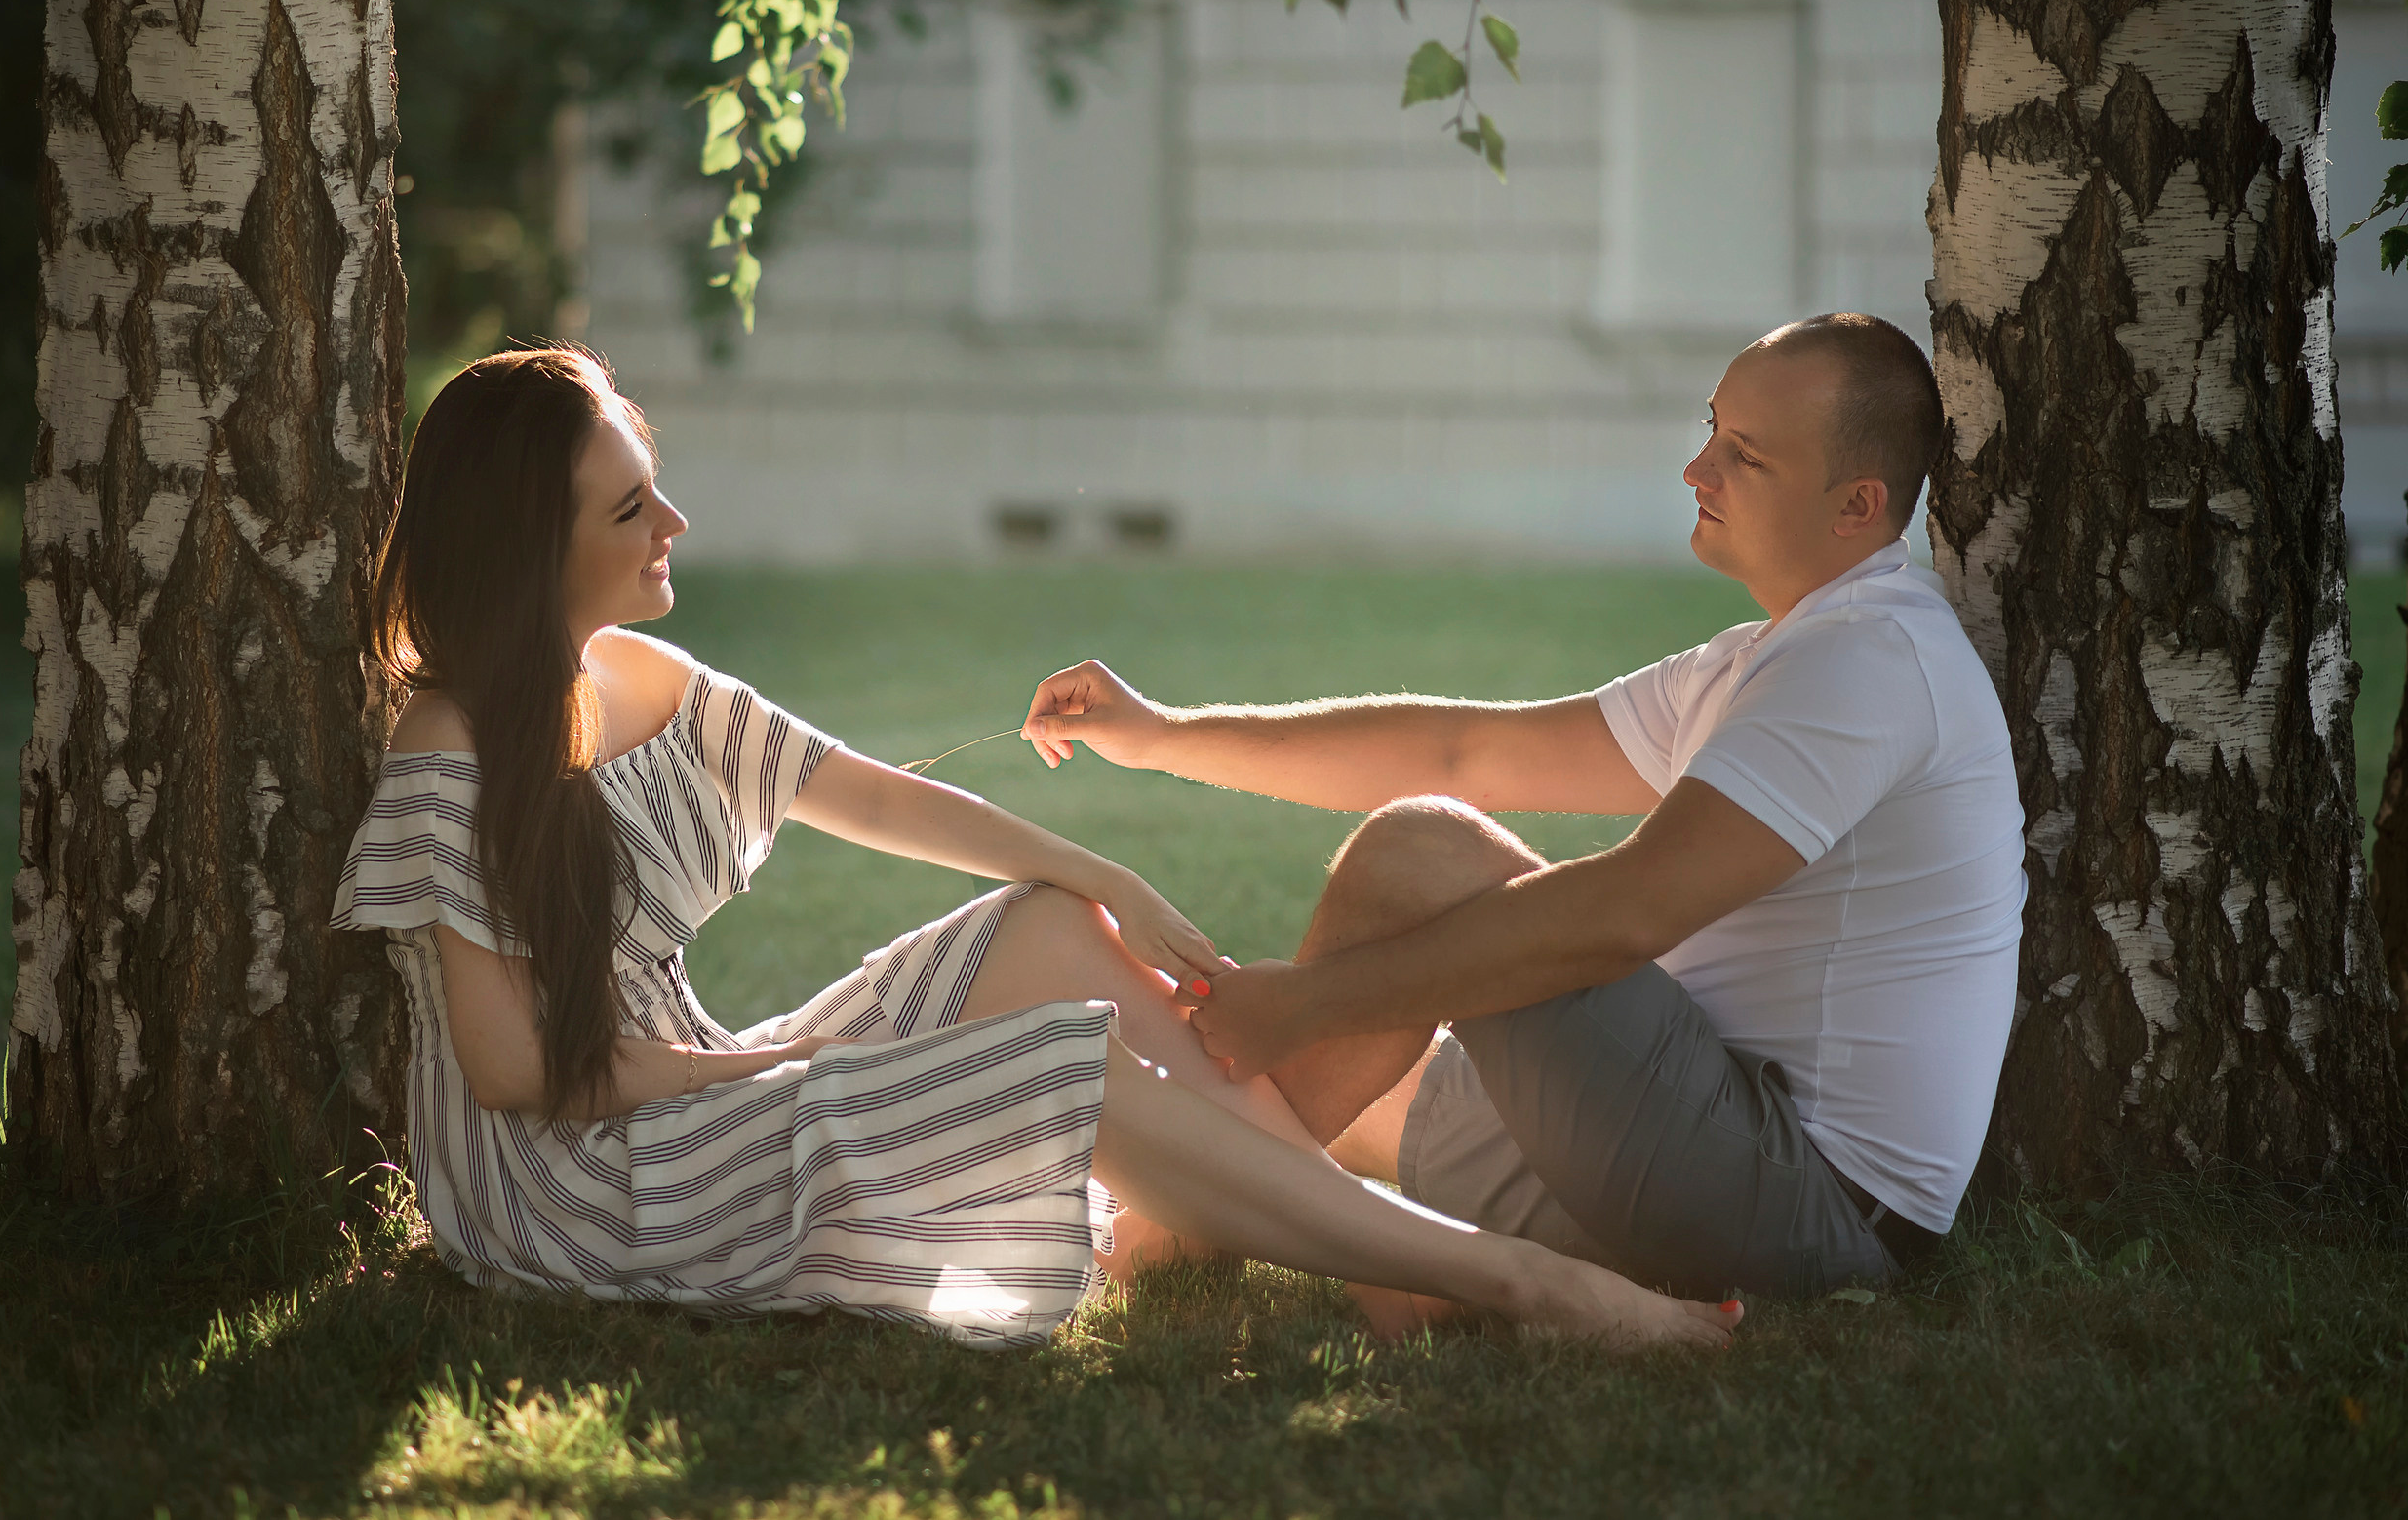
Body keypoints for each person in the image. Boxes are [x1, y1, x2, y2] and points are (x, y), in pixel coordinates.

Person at [331, 345, 1741, 1351]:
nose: (675, 525)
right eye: (631, 506)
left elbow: (873, 795)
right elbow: (519, 1077)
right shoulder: (445, 748)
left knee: (1051, 935)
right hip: (586, 1183)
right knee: (1059, 1066)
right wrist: (782, 1063)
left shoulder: (640, 678)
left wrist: (1099, 875)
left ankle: (1379, 1268)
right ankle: (1525, 1287)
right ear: (530, 544)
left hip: (693, 1091)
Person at [1022, 314, 2028, 1301]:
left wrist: (1304, 1006)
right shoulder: (1761, 658)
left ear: (1856, 506)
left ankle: (1176, 1241)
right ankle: (1342, 1232)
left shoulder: (1866, 661)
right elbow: (1467, 751)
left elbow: (1627, 913)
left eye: (1744, 455)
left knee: (1421, 854)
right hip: (1695, 1125)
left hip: (1807, 1201)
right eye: (1710, 429)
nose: (1696, 471)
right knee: (1358, 1085)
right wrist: (1162, 734)